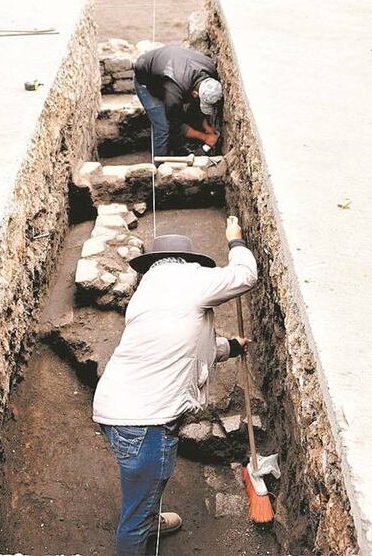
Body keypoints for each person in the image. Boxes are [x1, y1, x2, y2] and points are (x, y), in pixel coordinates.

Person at [93, 217, 257, 556]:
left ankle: (148, 517)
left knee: (144, 489)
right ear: (188, 262)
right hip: (143, 421)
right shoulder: (188, 279)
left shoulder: (151, 290)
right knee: (135, 517)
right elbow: (245, 276)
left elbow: (191, 347)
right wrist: (236, 242)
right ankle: (144, 525)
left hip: (121, 411)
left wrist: (233, 346)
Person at [132, 44, 224, 158]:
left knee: (184, 111)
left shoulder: (210, 70)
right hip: (146, 78)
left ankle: (177, 147)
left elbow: (197, 106)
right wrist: (205, 138)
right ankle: (160, 166)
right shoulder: (174, 92)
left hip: (167, 68)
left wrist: (206, 126)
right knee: (163, 126)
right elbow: (174, 124)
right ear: (195, 94)